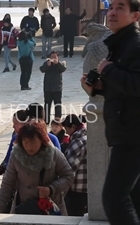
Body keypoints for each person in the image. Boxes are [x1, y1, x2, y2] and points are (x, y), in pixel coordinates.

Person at [80, 0, 140, 224]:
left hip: (132, 135)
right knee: (133, 198)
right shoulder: (119, 44)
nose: (112, 13)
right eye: (111, 7)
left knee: (114, 198)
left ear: (136, 16)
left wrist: (109, 70)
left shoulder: (135, 45)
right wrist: (99, 89)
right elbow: (127, 92)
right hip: (124, 132)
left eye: (120, 8)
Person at [0, 120, 74, 215]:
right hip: (24, 208)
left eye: (32, 142)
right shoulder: (16, 155)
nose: (29, 146)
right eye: (25, 142)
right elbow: (7, 184)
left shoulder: (53, 153)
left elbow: (69, 176)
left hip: (50, 209)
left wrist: (51, 189)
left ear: (41, 139)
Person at [0, 104, 62, 179]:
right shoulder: (53, 139)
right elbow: (60, 166)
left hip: (23, 182)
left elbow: (9, 161)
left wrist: (2, 169)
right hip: (47, 184)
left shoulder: (17, 138)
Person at [61, 114, 88, 217]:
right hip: (88, 190)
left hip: (77, 190)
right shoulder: (87, 137)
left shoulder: (78, 141)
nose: (66, 132)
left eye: (66, 128)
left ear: (73, 127)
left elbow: (69, 169)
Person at [39, 51, 67, 124]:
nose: (53, 58)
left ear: (58, 57)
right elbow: (42, 69)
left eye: (55, 57)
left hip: (57, 88)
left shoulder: (61, 63)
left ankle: (57, 120)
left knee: (57, 105)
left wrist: (57, 63)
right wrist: (47, 65)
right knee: (47, 105)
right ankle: (46, 120)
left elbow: (63, 69)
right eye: (52, 57)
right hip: (48, 88)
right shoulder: (47, 63)